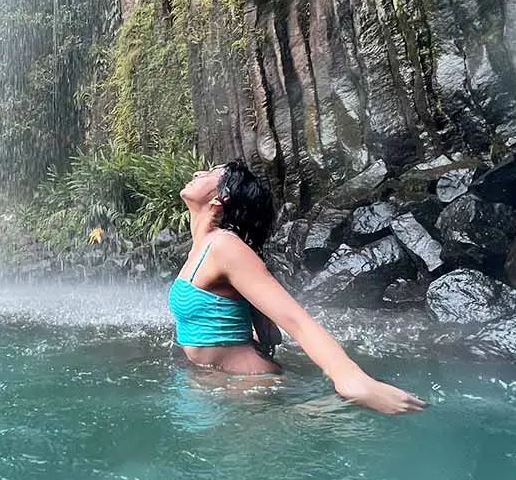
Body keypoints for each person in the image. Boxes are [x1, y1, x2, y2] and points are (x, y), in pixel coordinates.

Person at [168, 160, 427, 416]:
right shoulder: (202, 248)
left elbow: (297, 321)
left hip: (250, 387)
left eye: (211, 173)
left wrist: (350, 379)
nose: (197, 172)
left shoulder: (225, 248)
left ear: (221, 198)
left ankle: (340, 401)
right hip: (218, 384)